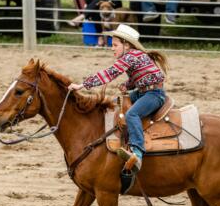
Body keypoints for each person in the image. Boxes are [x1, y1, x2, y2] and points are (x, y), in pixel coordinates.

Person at [68, 24, 169, 173]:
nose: (112, 48)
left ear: (126, 45)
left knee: (132, 114)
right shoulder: (135, 56)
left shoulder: (131, 56)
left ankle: (137, 151)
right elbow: (143, 76)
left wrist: (82, 85)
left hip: (154, 95)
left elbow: (110, 73)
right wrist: (127, 85)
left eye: (115, 45)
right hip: (144, 92)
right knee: (117, 103)